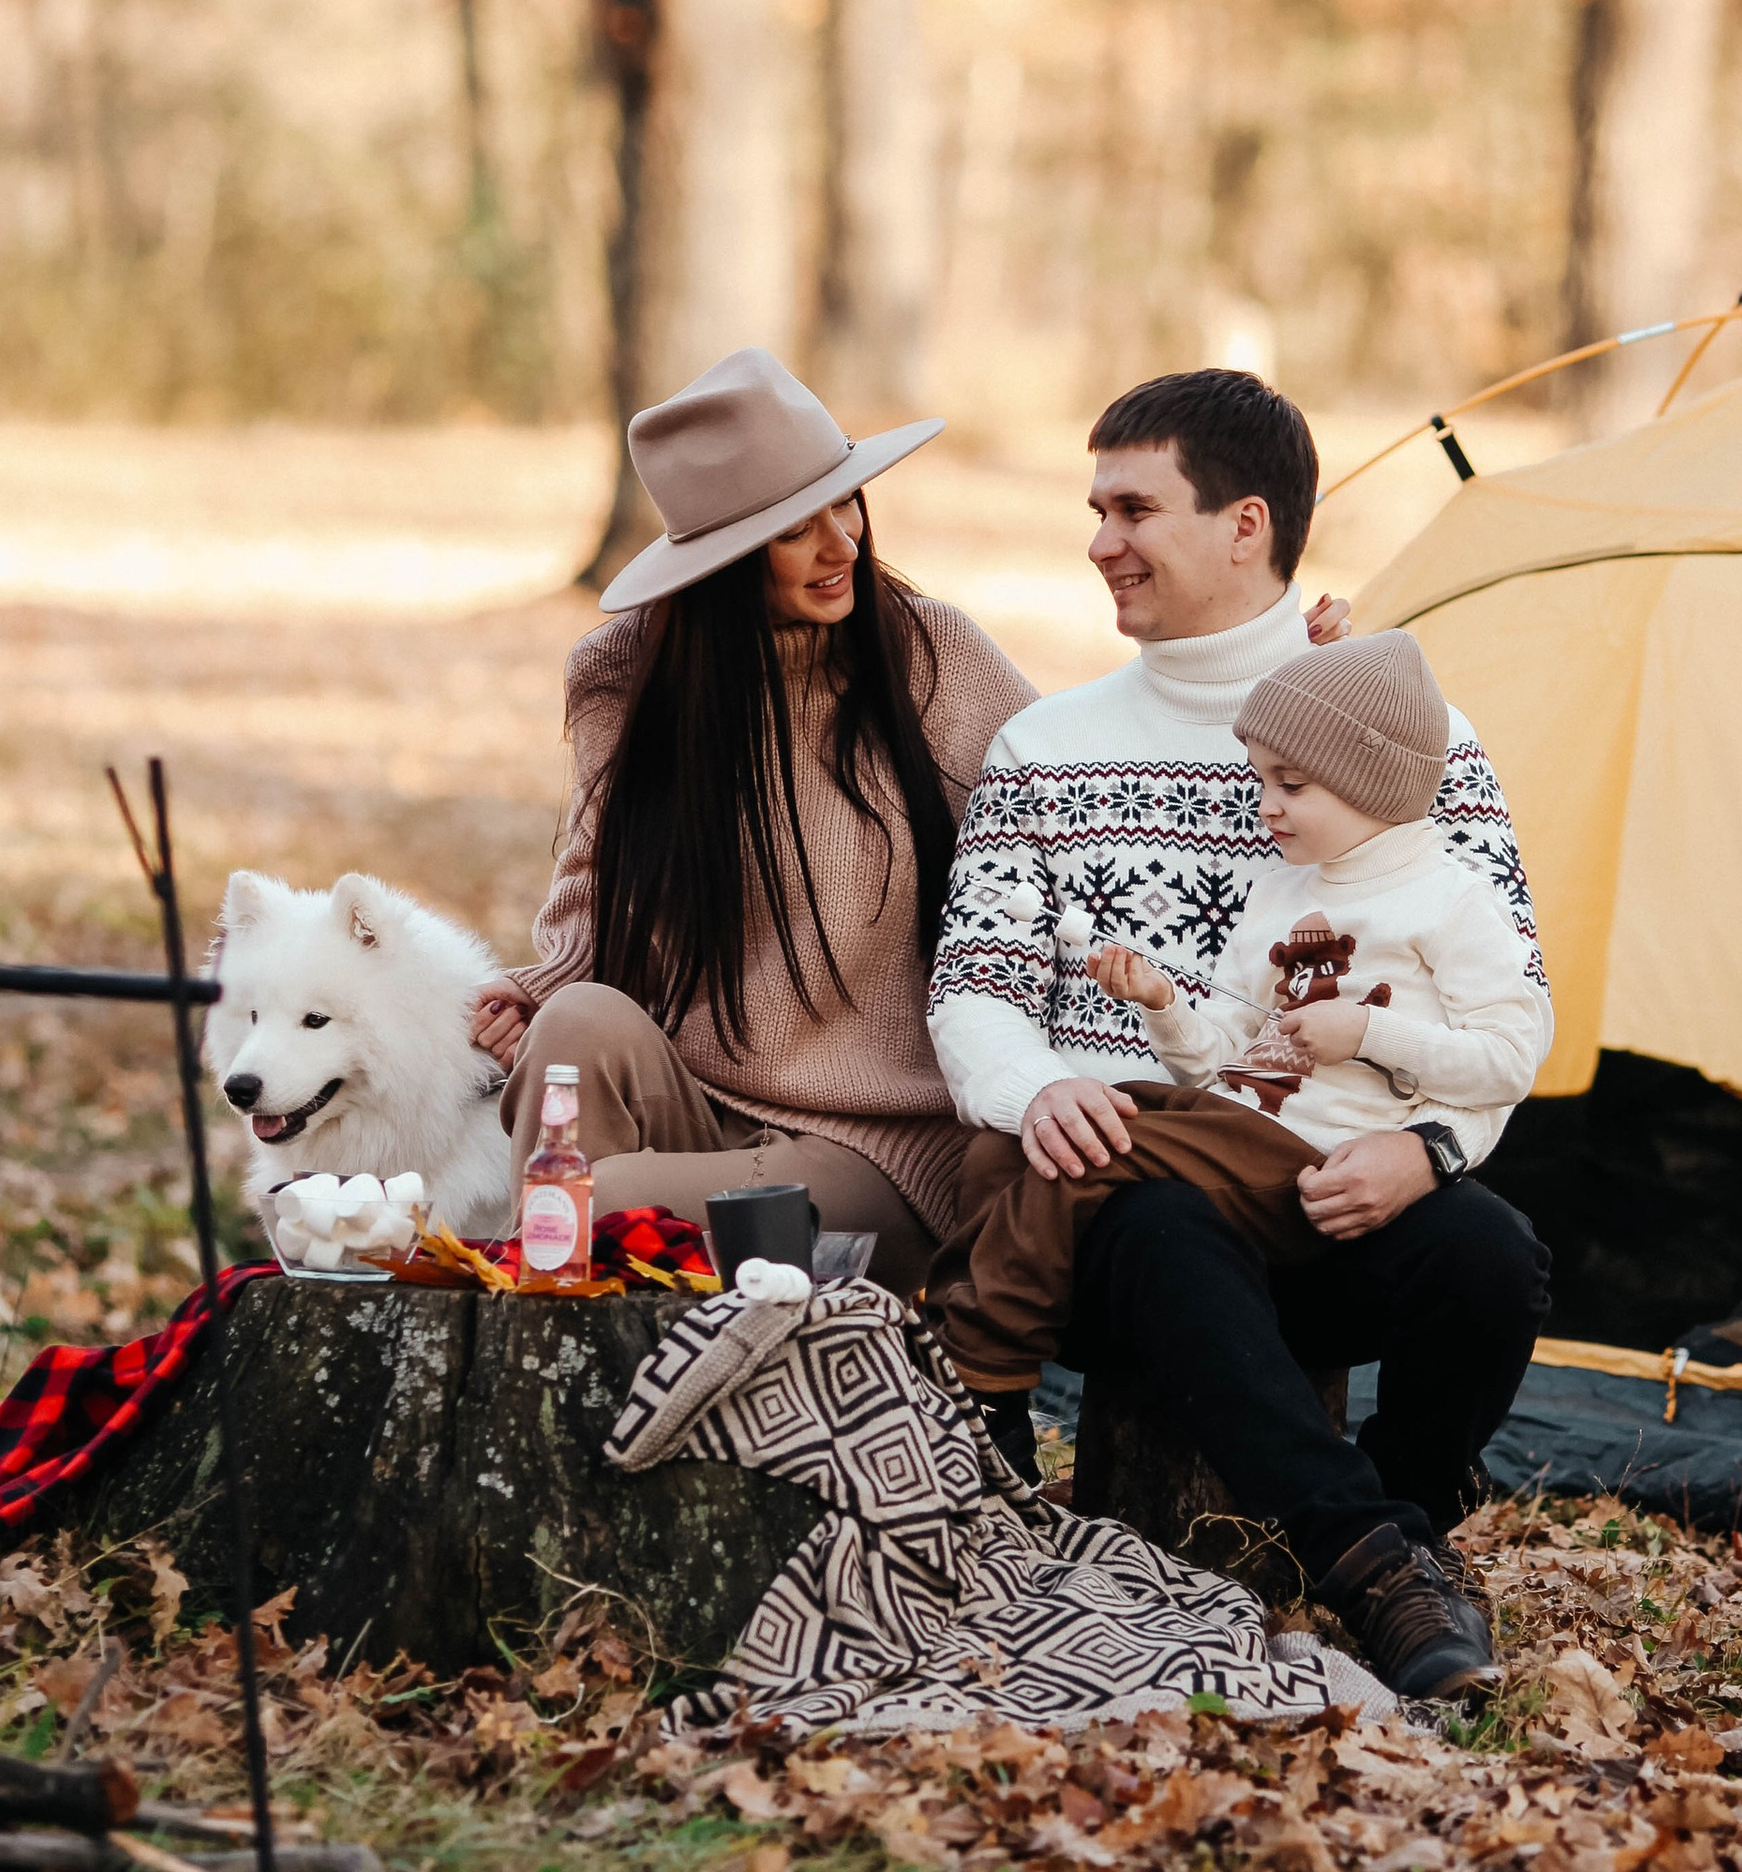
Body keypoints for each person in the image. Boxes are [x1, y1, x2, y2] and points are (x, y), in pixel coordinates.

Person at [925, 369, 1550, 1700]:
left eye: (1133, 508)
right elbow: (972, 985)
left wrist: (1430, 1155)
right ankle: (1379, 1573)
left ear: (1245, 525)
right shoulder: (1046, 750)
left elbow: (1502, 996)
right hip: (1118, 1212)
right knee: (1164, 1232)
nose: (1100, 541)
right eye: (1094, 510)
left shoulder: (1413, 740)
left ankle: (1400, 1517)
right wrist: (1034, 1087)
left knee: (1491, 1258)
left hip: (1333, 1188)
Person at [472, 347, 1036, 1294]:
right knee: (575, 1030)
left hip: (878, 1152)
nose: (843, 544)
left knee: (581, 1210)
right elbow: (595, 879)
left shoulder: (933, 657)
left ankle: (564, 1292)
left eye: (845, 503)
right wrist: (542, 986)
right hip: (702, 1102)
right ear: (725, 560)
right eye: (795, 530)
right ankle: (588, 1395)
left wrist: (1280, 674)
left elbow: (1091, 798)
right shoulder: (630, 677)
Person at [927, 626, 1552, 1419]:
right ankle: (953, 1347)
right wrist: (1164, 1007)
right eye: (1262, 782)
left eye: (1291, 786)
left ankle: (981, 1375)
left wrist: (1365, 1035)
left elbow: (1509, 1060)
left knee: (1094, 1148)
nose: (1266, 807)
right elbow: (1216, 1060)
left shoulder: (1452, 901)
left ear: (1372, 783)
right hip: (1236, 1128)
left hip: (1315, 1158)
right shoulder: (1280, 895)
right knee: (1014, 1144)